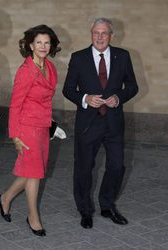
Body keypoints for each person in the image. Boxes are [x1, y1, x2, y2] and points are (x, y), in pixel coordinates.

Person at [62, 17, 138, 229]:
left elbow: (132, 86)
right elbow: (68, 89)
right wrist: (85, 98)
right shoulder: (78, 58)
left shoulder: (122, 56)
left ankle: (107, 205)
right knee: (84, 168)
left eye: (104, 33)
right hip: (88, 124)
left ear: (111, 35)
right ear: (91, 34)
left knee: (117, 165)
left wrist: (119, 97)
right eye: (96, 33)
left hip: (113, 123)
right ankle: (85, 210)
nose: (100, 37)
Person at [0, 24, 61, 236]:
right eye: (38, 42)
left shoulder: (50, 67)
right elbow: (15, 105)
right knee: (34, 175)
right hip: (26, 129)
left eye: (46, 42)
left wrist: (51, 126)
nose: (43, 46)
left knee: (33, 170)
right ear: (31, 45)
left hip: (42, 127)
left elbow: (45, 101)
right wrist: (15, 136)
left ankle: (5, 198)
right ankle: (33, 217)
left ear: (51, 45)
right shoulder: (26, 71)